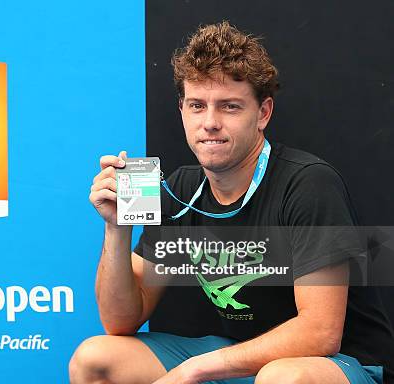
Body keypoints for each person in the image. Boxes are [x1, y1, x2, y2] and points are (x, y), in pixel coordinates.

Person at [70, 22, 393, 383]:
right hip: (236, 354)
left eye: (229, 107)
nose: (210, 122)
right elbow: (121, 320)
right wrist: (117, 228)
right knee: (96, 359)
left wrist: (195, 368)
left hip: (333, 362)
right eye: (197, 105)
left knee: (282, 378)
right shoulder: (181, 189)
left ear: (263, 113)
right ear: (182, 110)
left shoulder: (308, 183)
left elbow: (320, 332)